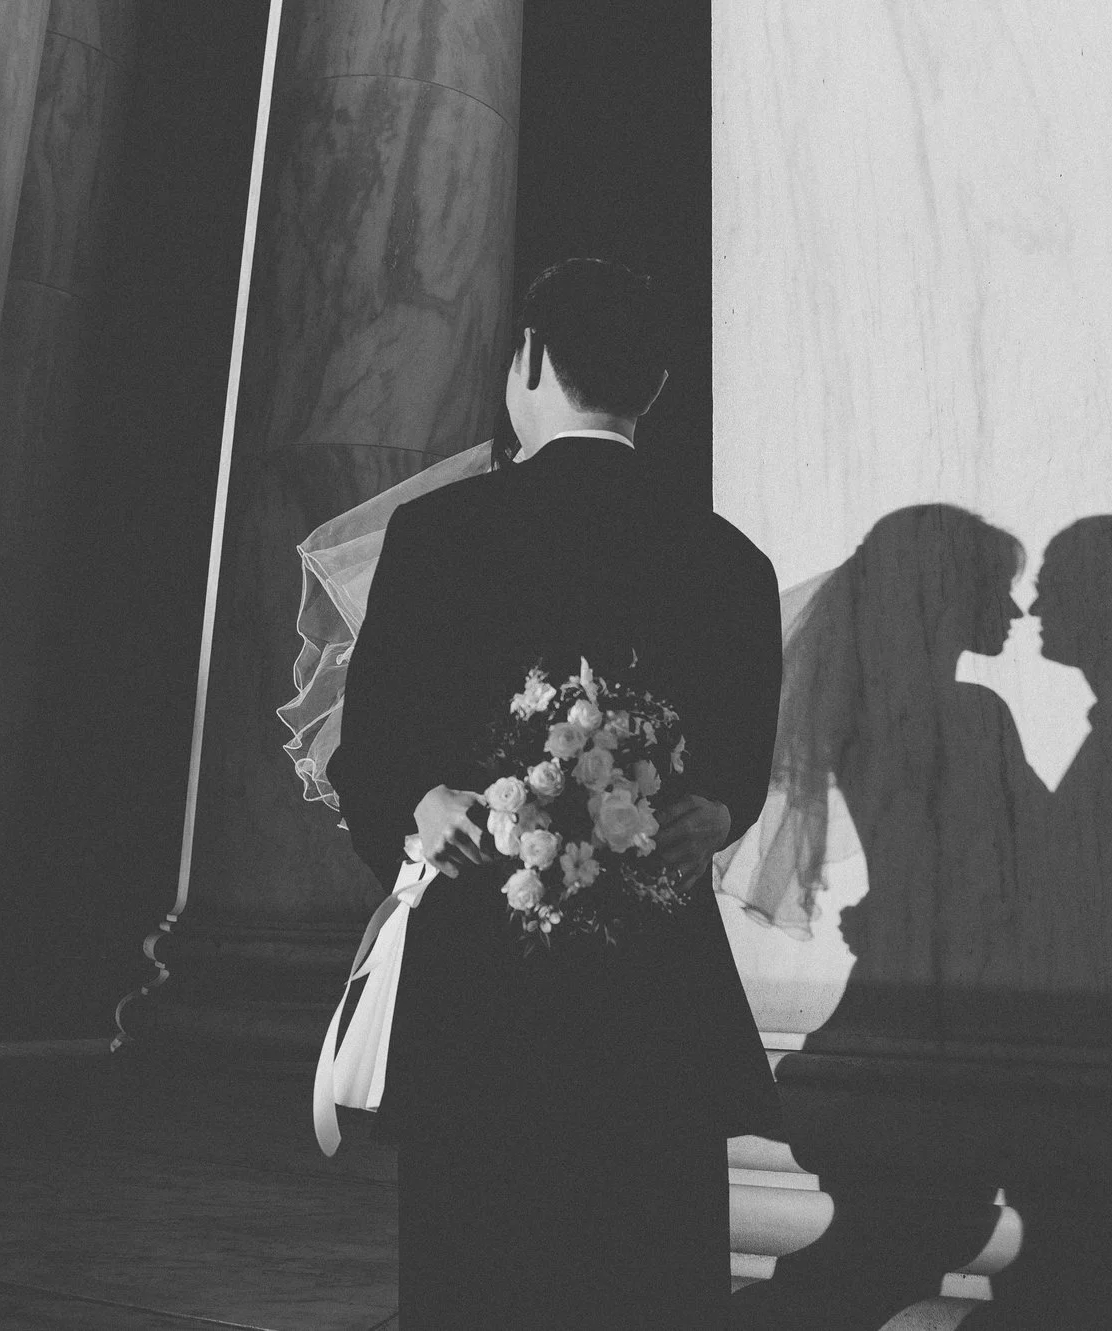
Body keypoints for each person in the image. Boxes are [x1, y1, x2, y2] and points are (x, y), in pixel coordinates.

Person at [325, 257, 785, 1330]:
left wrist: (420, 803)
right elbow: (734, 775)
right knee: (646, 1259)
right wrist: (715, 808)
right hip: (651, 983)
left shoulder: (440, 534)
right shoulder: (729, 562)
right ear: (658, 383)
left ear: (527, 360)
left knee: (475, 1260)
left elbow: (373, 748)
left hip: (484, 965)